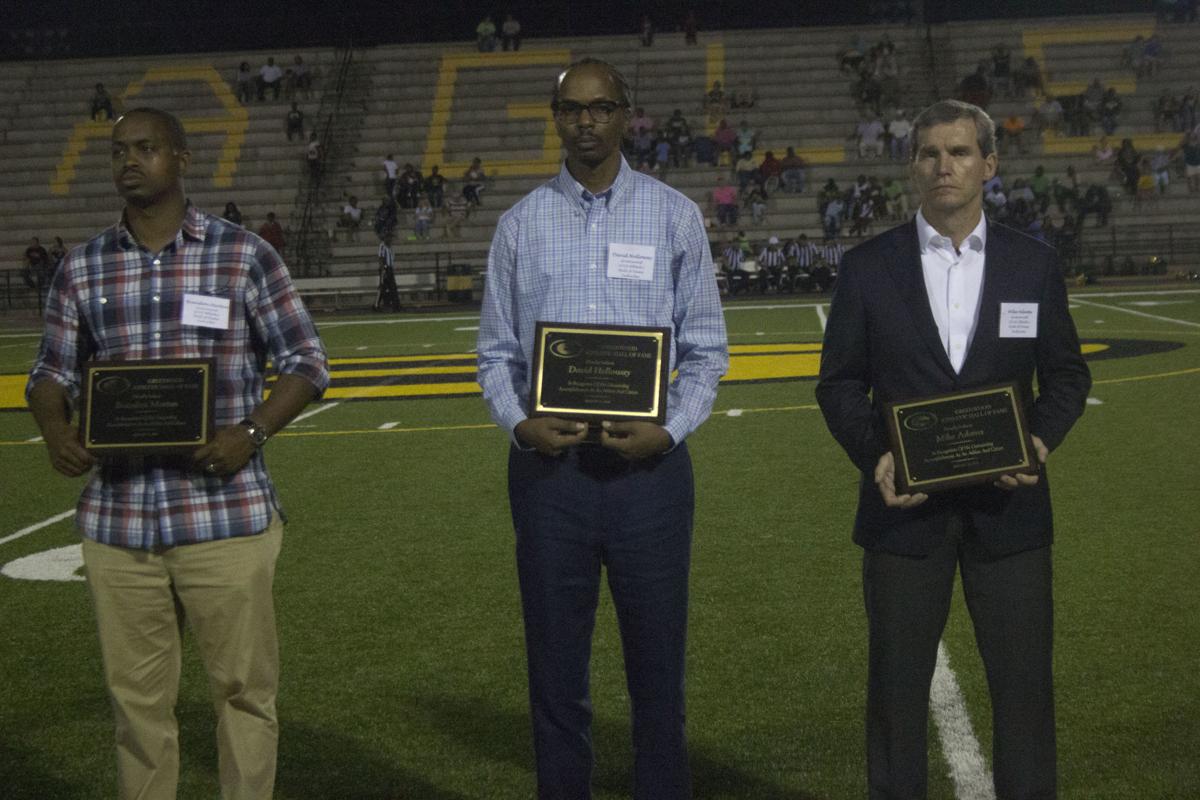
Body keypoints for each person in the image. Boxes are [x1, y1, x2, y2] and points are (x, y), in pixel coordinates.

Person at [25, 106, 329, 800]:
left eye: (146, 147)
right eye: (117, 151)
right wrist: (54, 428)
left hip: (224, 514)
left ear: (182, 158)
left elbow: (307, 361)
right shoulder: (83, 266)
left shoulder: (243, 254)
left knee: (244, 694)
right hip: (120, 521)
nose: (129, 161)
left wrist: (250, 433)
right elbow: (49, 372)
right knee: (136, 706)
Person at [815, 99, 1091, 800]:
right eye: (930, 153)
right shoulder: (868, 266)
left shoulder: (1033, 263)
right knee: (896, 694)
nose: (945, 166)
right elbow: (839, 383)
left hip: (1011, 514)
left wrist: (1037, 441)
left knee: (1025, 691)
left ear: (988, 165)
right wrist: (876, 455)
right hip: (903, 514)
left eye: (960, 152)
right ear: (913, 168)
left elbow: (1066, 376)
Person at [476, 58, 728, 800]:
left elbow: (707, 349)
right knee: (555, 667)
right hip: (549, 477)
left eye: (600, 107)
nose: (585, 121)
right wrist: (519, 423)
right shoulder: (520, 224)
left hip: (650, 474)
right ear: (557, 118)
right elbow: (494, 354)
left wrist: (670, 431)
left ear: (625, 114)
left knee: (658, 665)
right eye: (571, 108)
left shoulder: (674, 215)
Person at [374, 233, 400, 312]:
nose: (391, 240)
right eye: (389, 238)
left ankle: (395, 305)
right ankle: (376, 305)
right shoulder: (382, 246)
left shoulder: (390, 247)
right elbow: (381, 258)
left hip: (390, 269)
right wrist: (383, 269)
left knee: (392, 287)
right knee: (382, 287)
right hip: (385, 269)